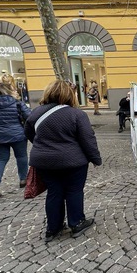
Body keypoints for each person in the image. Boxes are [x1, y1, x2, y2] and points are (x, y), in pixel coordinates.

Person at [24, 80, 102, 242]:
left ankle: (53, 228)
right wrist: (95, 159)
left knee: (54, 192)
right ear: (70, 95)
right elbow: (88, 139)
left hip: (44, 161)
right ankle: (76, 222)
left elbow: (30, 134)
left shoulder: (36, 112)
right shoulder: (76, 114)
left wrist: (44, 147)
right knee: (74, 191)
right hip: (72, 161)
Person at [0, 83, 31, 198]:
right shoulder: (16, 102)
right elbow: (29, 116)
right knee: (21, 156)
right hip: (17, 134)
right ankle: (23, 179)